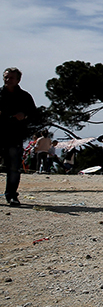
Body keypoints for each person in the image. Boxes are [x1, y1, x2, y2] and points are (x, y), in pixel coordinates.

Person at [1, 68, 36, 207]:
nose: (7, 80)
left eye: (11, 78)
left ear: (18, 80)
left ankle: (11, 195)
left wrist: (24, 116)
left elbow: (35, 115)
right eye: (6, 77)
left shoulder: (24, 97)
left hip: (14, 136)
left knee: (14, 167)